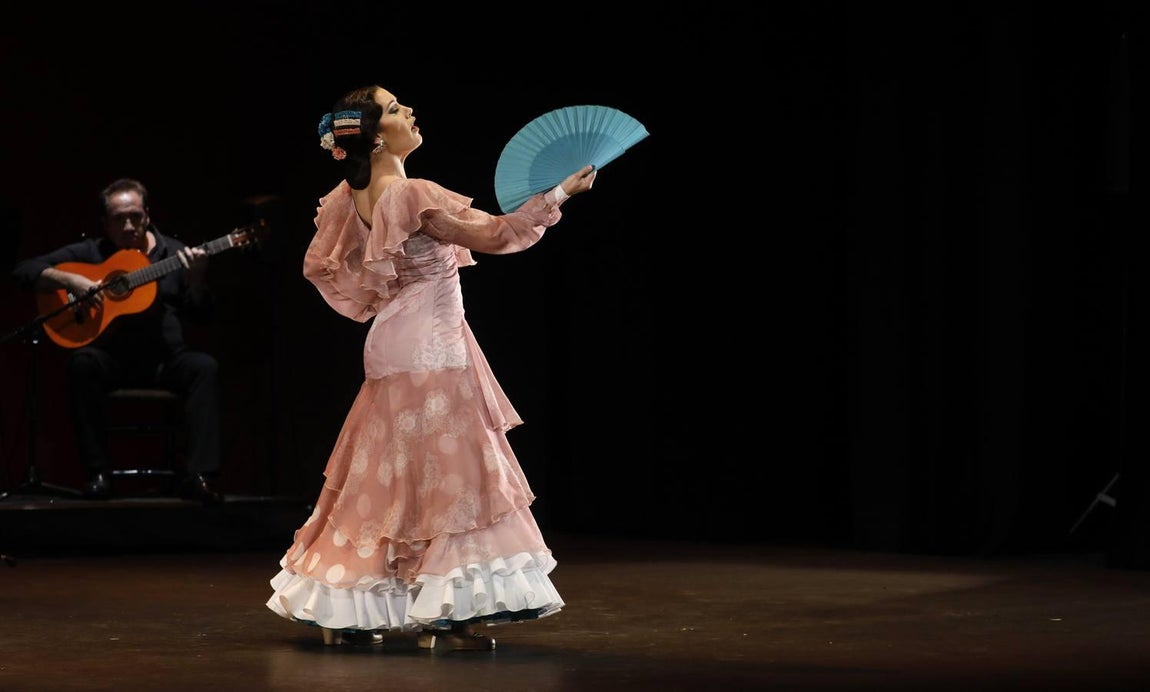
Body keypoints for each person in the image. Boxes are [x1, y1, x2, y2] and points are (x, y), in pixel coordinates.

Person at [265, 85, 597, 652]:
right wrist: (560, 192)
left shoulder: (350, 199)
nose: (409, 112)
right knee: (453, 476)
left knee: (382, 477)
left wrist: (378, 298)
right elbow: (497, 234)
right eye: (395, 109)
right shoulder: (411, 192)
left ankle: (342, 601)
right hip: (432, 349)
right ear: (373, 138)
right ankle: (449, 610)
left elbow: (320, 266)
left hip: (391, 343)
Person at [10, 178, 224, 505]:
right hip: (111, 360)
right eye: (118, 218)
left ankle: (200, 476)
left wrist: (197, 281)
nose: (128, 225)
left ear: (147, 216)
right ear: (104, 222)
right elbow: (24, 271)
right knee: (82, 364)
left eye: (135, 217)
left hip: (164, 360)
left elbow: (203, 317)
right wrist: (71, 280)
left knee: (204, 367)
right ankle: (99, 473)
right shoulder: (92, 253)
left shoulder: (176, 254)